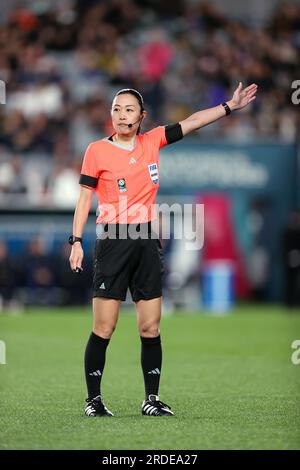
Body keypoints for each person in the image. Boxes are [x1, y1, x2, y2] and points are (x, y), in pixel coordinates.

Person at [69, 83, 257, 417]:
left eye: (128, 109)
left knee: (150, 327)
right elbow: (85, 197)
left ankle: (151, 399)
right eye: (115, 108)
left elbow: (195, 121)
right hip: (112, 241)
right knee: (104, 327)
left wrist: (229, 106)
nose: (121, 114)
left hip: (147, 242)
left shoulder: (152, 140)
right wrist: (76, 241)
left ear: (141, 117)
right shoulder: (96, 150)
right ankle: (93, 400)